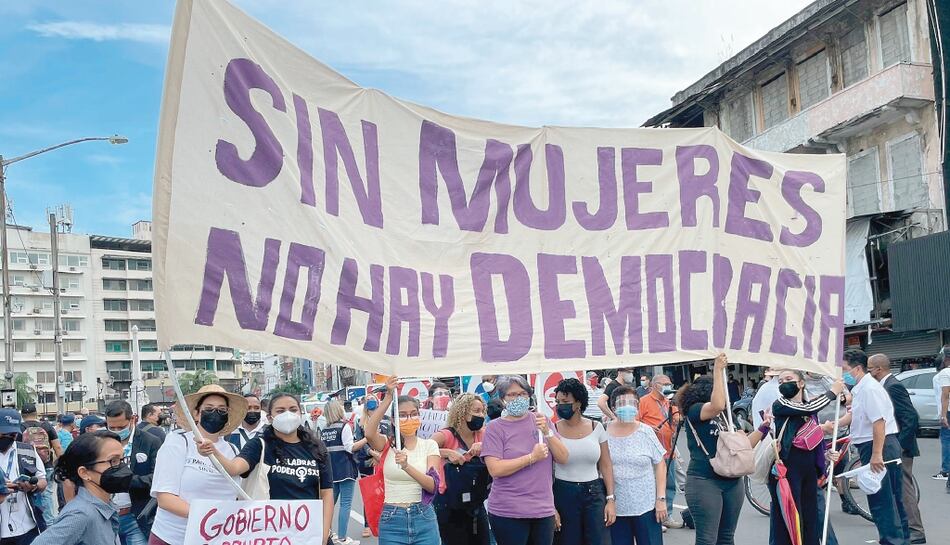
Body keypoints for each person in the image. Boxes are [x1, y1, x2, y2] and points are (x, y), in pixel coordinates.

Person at [198, 392, 334, 545]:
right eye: (280, 411)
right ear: (270, 417)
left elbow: (327, 493)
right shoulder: (259, 445)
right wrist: (214, 452)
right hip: (272, 535)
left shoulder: (317, 448)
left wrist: (323, 533)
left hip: (309, 533)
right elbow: (234, 468)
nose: (287, 414)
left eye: (293, 409)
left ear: (300, 413)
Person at [680, 354, 769, 545]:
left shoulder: (727, 415)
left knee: (727, 538)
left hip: (732, 482)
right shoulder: (695, 411)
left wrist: (764, 428)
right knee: (707, 539)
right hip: (704, 481)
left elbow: (744, 445)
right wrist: (718, 370)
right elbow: (718, 403)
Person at [148, 385, 247, 545]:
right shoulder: (178, 442)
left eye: (222, 409)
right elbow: (165, 499)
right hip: (175, 538)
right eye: (209, 408)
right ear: (196, 413)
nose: (216, 413)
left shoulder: (233, 450)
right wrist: (208, 517)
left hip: (217, 538)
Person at [832, 349, 909, 545]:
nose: (843, 374)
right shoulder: (860, 388)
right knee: (887, 498)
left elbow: (879, 423)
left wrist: (876, 455)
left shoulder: (869, 389)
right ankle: (898, 539)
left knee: (883, 500)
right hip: (874, 445)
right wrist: (834, 425)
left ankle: (893, 541)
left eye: (845, 369)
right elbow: (856, 416)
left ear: (857, 368)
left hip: (879, 446)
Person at [482, 375, 569, 545]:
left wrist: (547, 432)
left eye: (522, 394)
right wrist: (531, 458)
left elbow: (563, 457)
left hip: (542, 510)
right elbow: (495, 469)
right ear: (502, 399)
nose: (518, 398)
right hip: (508, 511)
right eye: (512, 395)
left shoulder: (541, 421)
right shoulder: (495, 427)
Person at [364, 376, 441, 545]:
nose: (409, 419)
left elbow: (432, 485)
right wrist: (389, 398)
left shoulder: (430, 445)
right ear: (393, 420)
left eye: (414, 414)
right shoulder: (387, 444)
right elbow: (369, 433)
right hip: (392, 519)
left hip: (424, 518)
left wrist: (407, 466)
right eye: (403, 415)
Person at [769, 370, 843, 545]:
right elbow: (809, 407)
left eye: (789, 379)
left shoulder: (809, 411)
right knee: (789, 519)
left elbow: (811, 440)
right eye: (780, 381)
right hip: (787, 470)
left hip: (809, 471)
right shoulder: (780, 404)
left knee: (810, 519)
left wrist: (826, 455)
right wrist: (832, 392)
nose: (784, 383)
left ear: (801, 383)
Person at [869, 354, 926, 543]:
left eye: (870, 368)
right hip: (893, 445)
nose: (868, 371)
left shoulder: (893, 386)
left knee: (904, 489)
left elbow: (910, 417)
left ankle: (915, 529)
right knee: (898, 488)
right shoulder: (884, 386)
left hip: (901, 447)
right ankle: (907, 529)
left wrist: (900, 445)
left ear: (878, 369)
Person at [551, 378, 614, 545]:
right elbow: (546, 471)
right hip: (563, 492)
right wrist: (551, 506)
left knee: (598, 540)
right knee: (567, 540)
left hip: (594, 492)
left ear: (578, 403)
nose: (560, 405)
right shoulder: (553, 430)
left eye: (565, 401)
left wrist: (610, 499)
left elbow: (606, 465)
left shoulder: (597, 427)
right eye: (557, 401)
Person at [32, 432, 125, 545]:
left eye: (122, 460)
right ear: (84, 472)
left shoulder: (104, 505)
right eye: (113, 461)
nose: (122, 467)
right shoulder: (80, 515)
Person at [606, 386, 665, 545]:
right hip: (616, 509)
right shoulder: (603, 432)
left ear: (638, 407)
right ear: (613, 407)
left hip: (646, 506)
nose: (627, 406)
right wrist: (608, 500)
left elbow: (660, 464)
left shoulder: (646, 432)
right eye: (622, 402)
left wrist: (661, 499)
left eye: (632, 403)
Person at [431, 393, 491, 545]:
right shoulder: (446, 435)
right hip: (449, 502)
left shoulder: (483, 435)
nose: (481, 415)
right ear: (462, 412)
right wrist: (447, 453)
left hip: (476, 500)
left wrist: (485, 447)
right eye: (476, 411)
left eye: (483, 411)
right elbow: (422, 449)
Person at [103, 401, 162, 545]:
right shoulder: (100, 441)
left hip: (136, 516)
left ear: (133, 419)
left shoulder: (151, 442)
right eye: (112, 427)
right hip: (106, 516)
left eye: (121, 427)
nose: (116, 430)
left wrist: (126, 481)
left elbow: (159, 478)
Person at [638, 373, 682, 529]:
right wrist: (649, 428)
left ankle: (667, 515)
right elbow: (635, 423)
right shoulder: (643, 402)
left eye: (669, 383)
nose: (668, 386)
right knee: (653, 485)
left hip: (669, 450)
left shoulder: (669, 403)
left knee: (670, 484)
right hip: (650, 451)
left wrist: (676, 422)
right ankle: (654, 517)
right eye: (664, 384)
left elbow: (676, 422)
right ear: (655, 385)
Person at [0, 407, 48, 544]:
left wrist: (33, 486)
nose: (8, 438)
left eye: (12, 434)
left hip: (28, 527)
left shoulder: (28, 450)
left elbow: (42, 480)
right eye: (3, 434)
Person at [320, 399, 362, 545]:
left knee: (329, 505)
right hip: (345, 470)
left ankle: (327, 534)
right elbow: (350, 447)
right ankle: (343, 537)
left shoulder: (325, 430)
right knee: (345, 504)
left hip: (331, 472)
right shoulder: (344, 427)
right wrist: (365, 440)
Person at [354, 393, 392, 538]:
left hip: (385, 459)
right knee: (370, 494)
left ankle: (386, 520)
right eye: (368, 401)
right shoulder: (360, 422)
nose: (371, 403)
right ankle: (367, 525)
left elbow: (390, 438)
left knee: (386, 492)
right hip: (367, 462)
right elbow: (359, 441)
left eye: (373, 400)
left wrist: (381, 454)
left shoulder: (387, 420)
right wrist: (372, 452)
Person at [20, 404, 60, 526]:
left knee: (27, 493)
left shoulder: (19, 427)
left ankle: (33, 521)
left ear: (22, 415)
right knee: (47, 493)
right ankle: (50, 523)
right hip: (47, 464)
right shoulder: (46, 426)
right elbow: (57, 447)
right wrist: (60, 464)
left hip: (27, 466)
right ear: (36, 413)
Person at [933, 349, 950, 484]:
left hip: (949, 411)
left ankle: (946, 470)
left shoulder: (945, 373)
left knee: (946, 439)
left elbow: (945, 395)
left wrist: (943, 415)